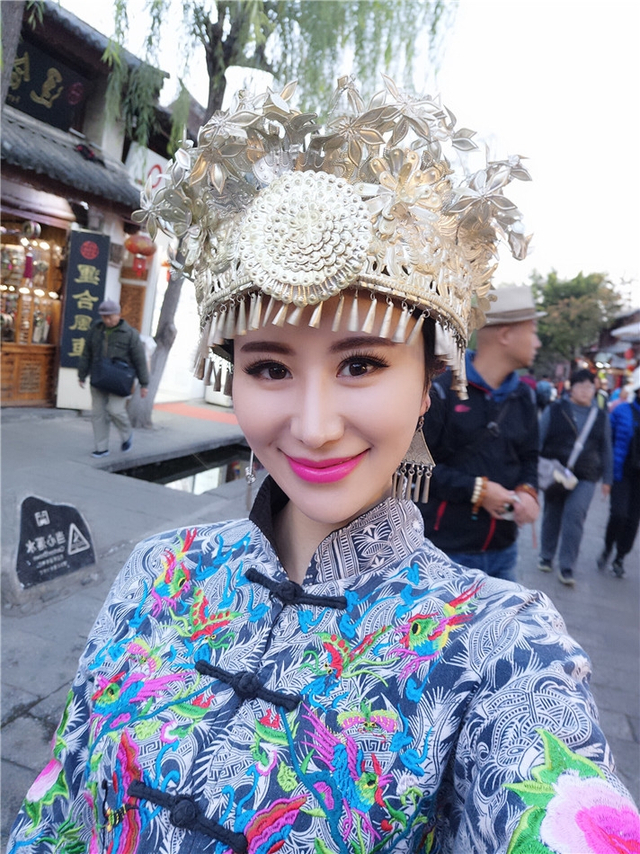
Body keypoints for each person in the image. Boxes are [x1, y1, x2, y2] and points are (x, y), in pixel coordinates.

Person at [9, 79, 638, 854]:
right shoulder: (157, 574)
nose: (313, 427)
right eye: (270, 368)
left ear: (427, 386)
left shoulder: (501, 649)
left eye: (361, 364)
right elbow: (56, 808)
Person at [417, 285, 542, 583]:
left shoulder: (524, 396)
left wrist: (528, 492)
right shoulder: (441, 391)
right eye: (533, 331)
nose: (538, 342)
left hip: (504, 550)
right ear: (505, 334)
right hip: (444, 551)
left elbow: (530, 458)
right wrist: (478, 491)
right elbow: (415, 468)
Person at [538, 369, 613, 585]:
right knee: (552, 513)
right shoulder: (556, 409)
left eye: (589, 386)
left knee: (575, 515)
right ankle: (546, 555)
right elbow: (539, 438)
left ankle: (567, 566)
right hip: (555, 470)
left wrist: (607, 480)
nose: (585, 390)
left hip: (586, 474)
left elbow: (606, 449)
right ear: (572, 387)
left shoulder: (601, 417)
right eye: (580, 385)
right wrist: (532, 467)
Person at [77, 299, 149, 458]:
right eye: (104, 317)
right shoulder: (96, 330)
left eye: (110, 316)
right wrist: (82, 375)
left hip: (119, 380)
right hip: (98, 377)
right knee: (98, 413)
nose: (107, 320)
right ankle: (101, 448)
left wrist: (144, 384)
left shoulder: (130, 333)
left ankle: (127, 433)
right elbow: (86, 353)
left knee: (115, 409)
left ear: (119, 315)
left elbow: (139, 360)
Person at [597, 381, 640, 577]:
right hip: (621, 472)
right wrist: (605, 471)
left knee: (632, 520)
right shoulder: (621, 411)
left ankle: (620, 556)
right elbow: (607, 441)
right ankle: (608, 547)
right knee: (619, 514)